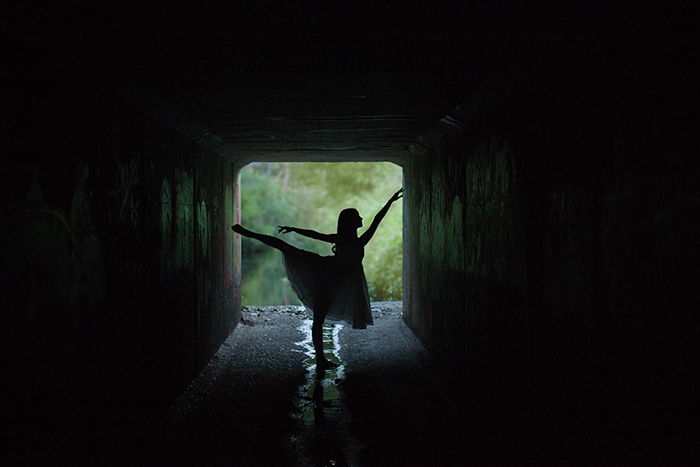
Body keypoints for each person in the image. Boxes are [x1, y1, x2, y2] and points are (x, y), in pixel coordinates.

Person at [232, 188, 403, 369]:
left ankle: (321, 359)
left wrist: (391, 201)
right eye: (358, 217)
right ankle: (248, 233)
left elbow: (377, 219)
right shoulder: (350, 240)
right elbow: (314, 233)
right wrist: (294, 229)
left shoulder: (354, 240)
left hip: (334, 277)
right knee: (286, 248)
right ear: (351, 222)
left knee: (318, 319)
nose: (361, 219)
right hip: (327, 274)